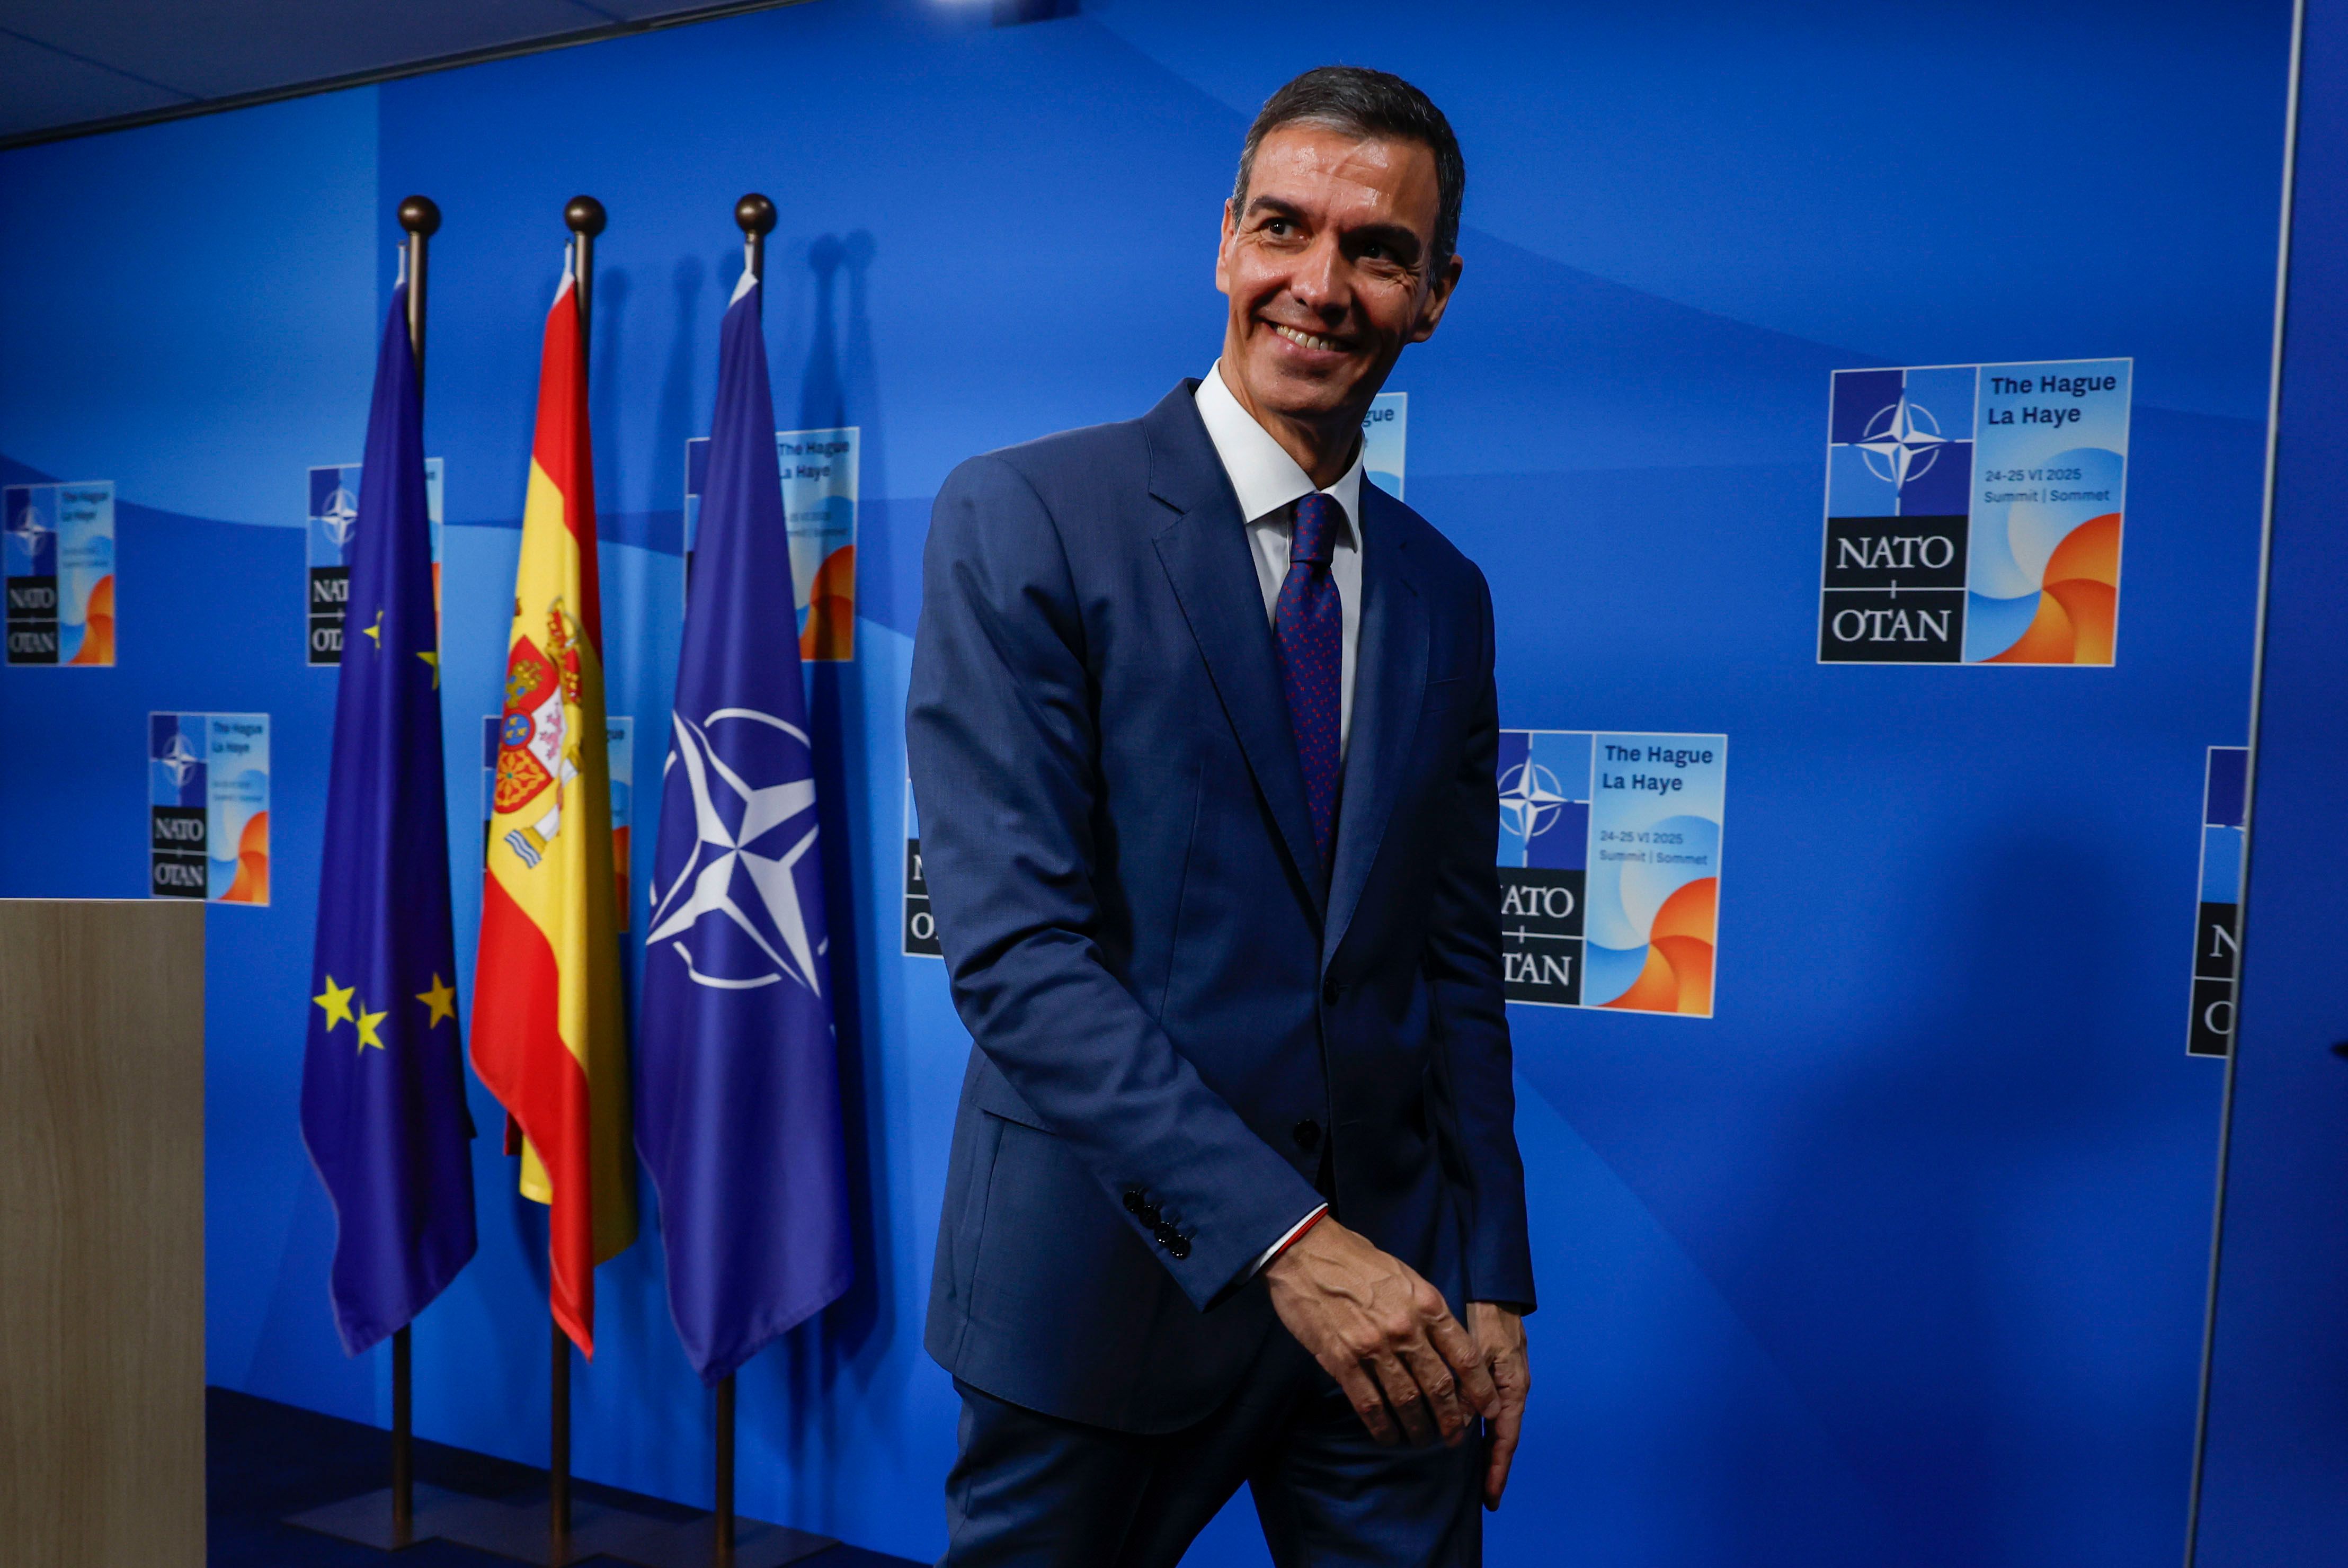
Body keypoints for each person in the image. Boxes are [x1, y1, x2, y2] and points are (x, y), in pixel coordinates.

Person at [907, 64, 1534, 1567]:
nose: (1320, 285)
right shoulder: (1025, 516)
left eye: (1378, 252)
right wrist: (1285, 1243)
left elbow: (1457, 962)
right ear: (1225, 245)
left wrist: (1493, 1272)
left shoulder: (1445, 591)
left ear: (1437, 292)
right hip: (1103, 1287)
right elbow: (1017, 957)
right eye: (1284, 229)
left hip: (1395, 1303)